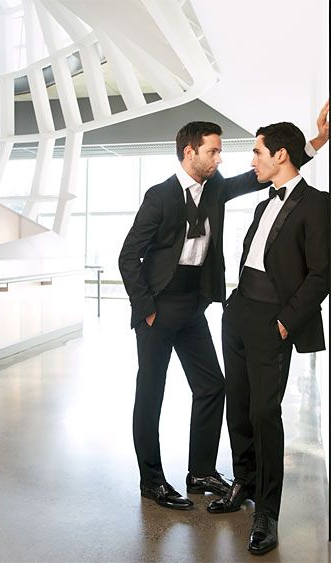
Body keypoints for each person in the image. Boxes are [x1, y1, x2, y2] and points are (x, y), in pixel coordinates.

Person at [118, 104, 328, 511]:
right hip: (158, 309)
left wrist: (317, 141)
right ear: (189, 153)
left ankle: (200, 471)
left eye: (219, 152)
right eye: (212, 151)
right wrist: (146, 308)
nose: (219, 158)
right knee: (151, 393)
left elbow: (263, 174)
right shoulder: (159, 197)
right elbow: (129, 255)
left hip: (194, 306)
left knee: (213, 386)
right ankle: (152, 480)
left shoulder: (215, 188)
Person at [207, 116, 329, 555]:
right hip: (239, 312)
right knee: (237, 406)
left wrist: (284, 321)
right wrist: (232, 306)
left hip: (272, 320)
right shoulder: (263, 203)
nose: (252, 159)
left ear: (280, 155)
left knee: (264, 413)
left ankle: (268, 513)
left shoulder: (318, 204)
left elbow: (321, 274)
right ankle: (245, 483)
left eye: (257, 151)